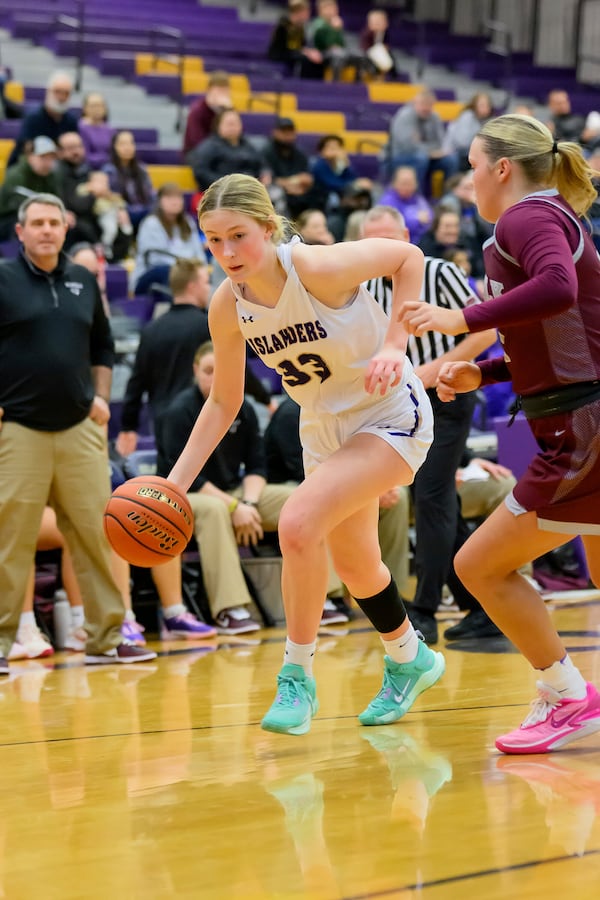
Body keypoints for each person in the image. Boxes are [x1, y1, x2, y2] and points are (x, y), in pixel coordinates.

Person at [166, 172, 445, 735]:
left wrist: (395, 344)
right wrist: (174, 484)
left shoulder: (313, 267)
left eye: (238, 236)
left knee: (296, 523)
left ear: (268, 229)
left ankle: (296, 675)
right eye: (213, 240)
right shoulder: (226, 303)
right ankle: (410, 657)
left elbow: (408, 256)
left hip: (387, 412)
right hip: (322, 428)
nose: (226, 252)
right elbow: (223, 401)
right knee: (357, 564)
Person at [400, 113, 600, 753]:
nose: (469, 178)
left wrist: (461, 315)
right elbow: (563, 337)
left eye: (472, 165)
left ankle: (567, 695)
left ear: (502, 168)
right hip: (579, 414)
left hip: (582, 429)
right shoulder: (543, 218)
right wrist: (483, 373)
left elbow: (556, 287)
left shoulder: (527, 218)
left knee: (479, 567)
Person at [0, 193, 157, 675]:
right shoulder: (3, 279)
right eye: (37, 223)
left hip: (79, 429)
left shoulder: (84, 280)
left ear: (65, 229)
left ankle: (108, 637)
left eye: (54, 222)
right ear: (21, 231)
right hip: (18, 429)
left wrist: (101, 397)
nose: (47, 230)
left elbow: (103, 345)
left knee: (97, 534)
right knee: (11, 539)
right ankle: (4, 641)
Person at [361, 205, 498, 642]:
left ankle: (422, 612)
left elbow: (487, 330)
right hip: (402, 406)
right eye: (372, 243)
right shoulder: (363, 288)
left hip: (447, 395)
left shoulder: (438, 272)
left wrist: (434, 368)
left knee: (432, 496)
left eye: (389, 239)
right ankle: (480, 607)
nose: (382, 250)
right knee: (441, 503)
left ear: (406, 234)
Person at [158, 341, 297, 636]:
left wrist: (249, 503)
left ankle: (324, 597)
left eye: (220, 371)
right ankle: (229, 609)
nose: (214, 377)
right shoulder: (178, 411)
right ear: (195, 371)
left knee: (298, 499)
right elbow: (188, 478)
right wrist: (234, 507)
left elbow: (257, 466)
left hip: (235, 493)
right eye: (208, 371)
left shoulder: (242, 407)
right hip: (183, 497)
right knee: (215, 509)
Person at [264, 395, 413, 599]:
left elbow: (364, 456)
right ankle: (331, 596)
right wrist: (360, 489)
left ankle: (391, 592)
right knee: (317, 507)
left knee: (399, 498)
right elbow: (301, 469)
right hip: (296, 483)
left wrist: (376, 485)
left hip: (340, 482)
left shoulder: (347, 406)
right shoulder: (291, 413)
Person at [130, 182, 207, 295]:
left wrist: (199, 268)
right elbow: (155, 258)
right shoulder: (151, 223)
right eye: (169, 197)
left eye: (178, 197)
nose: (174, 201)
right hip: (153, 275)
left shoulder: (188, 223)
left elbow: (199, 253)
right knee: (166, 272)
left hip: (185, 273)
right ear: (159, 201)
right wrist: (185, 268)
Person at [385, 89, 459, 196]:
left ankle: (449, 197)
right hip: (401, 157)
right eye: (423, 104)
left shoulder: (435, 117)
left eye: (429, 105)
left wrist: (425, 148)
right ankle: (418, 198)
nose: (426, 108)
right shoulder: (404, 116)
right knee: (421, 158)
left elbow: (440, 142)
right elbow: (407, 146)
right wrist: (430, 151)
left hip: (428, 157)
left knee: (451, 159)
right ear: (414, 103)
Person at [7, 71, 79, 166]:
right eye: (57, 92)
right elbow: (25, 150)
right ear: (48, 92)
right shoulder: (33, 118)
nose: (61, 97)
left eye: (66, 93)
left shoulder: (72, 121)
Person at [189, 108, 266, 193]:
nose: (233, 127)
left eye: (235, 123)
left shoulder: (248, 146)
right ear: (218, 125)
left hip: (248, 190)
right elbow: (201, 172)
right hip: (220, 193)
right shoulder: (209, 147)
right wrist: (225, 184)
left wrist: (265, 174)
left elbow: (262, 164)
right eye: (229, 124)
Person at [0, 137, 61, 240]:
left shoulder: (50, 176)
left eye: (51, 158)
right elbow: (21, 206)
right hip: (7, 220)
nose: (47, 163)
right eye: (43, 157)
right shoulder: (16, 175)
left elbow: (56, 199)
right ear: (30, 156)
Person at [261, 117, 321, 219]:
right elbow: (267, 179)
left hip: (299, 191)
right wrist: (291, 183)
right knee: (277, 194)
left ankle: (312, 225)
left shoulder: (299, 153)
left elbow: (306, 177)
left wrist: (301, 185)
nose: (287, 135)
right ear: (275, 132)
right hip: (276, 190)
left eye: (290, 131)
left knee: (319, 194)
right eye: (284, 131)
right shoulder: (266, 152)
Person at [102, 130, 154, 231]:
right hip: (123, 212)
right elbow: (112, 198)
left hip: (144, 212)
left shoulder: (142, 169)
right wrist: (121, 209)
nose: (127, 147)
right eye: (122, 144)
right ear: (114, 147)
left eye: (131, 143)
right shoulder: (109, 170)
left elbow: (150, 195)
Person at [310, 0, 368, 82]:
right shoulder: (318, 23)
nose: (332, 10)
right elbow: (326, 43)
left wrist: (338, 30)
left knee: (360, 55)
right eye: (329, 8)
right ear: (321, 10)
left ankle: (357, 83)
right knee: (338, 54)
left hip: (340, 51)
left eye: (334, 8)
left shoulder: (336, 23)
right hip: (322, 52)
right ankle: (336, 83)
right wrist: (334, 29)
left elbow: (342, 42)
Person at [377, 165, 434, 246]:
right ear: (394, 183)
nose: (407, 187)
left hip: (420, 243)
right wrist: (417, 221)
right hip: (397, 245)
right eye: (404, 183)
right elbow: (393, 227)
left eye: (410, 183)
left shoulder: (417, 198)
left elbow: (430, 217)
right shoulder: (387, 201)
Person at [182, 70, 232, 162]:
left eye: (225, 91)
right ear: (209, 90)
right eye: (219, 90)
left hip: (221, 153)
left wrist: (229, 111)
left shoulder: (227, 111)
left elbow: (237, 137)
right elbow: (198, 143)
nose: (222, 95)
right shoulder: (197, 111)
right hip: (196, 154)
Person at [267, 0, 324, 80]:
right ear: (299, 12)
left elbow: (302, 45)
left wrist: (311, 52)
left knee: (317, 60)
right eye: (306, 11)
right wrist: (305, 53)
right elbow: (284, 48)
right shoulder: (284, 25)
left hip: (294, 53)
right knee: (305, 60)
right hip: (281, 54)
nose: (308, 14)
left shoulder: (301, 27)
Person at [444, 92, 495, 171]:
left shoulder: (489, 120)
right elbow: (463, 143)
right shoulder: (467, 117)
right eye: (482, 105)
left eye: (488, 105)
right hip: (456, 151)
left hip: (472, 152)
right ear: (475, 105)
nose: (485, 108)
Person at [78, 91, 113, 168]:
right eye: (93, 106)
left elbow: (115, 153)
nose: (97, 109)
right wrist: (107, 158)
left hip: (109, 167)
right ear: (85, 108)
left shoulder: (110, 129)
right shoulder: (80, 128)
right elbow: (85, 156)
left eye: (100, 105)